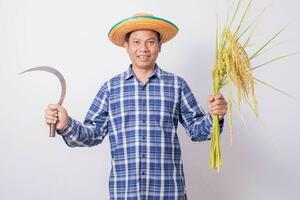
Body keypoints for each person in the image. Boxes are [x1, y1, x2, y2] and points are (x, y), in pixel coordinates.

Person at [45, 13, 228, 200]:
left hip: (168, 191)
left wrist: (215, 116)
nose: (143, 48)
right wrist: (65, 124)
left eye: (150, 42)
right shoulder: (111, 88)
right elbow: (92, 134)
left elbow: (198, 131)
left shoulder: (177, 85)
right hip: (125, 192)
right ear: (126, 46)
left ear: (160, 46)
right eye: (136, 42)